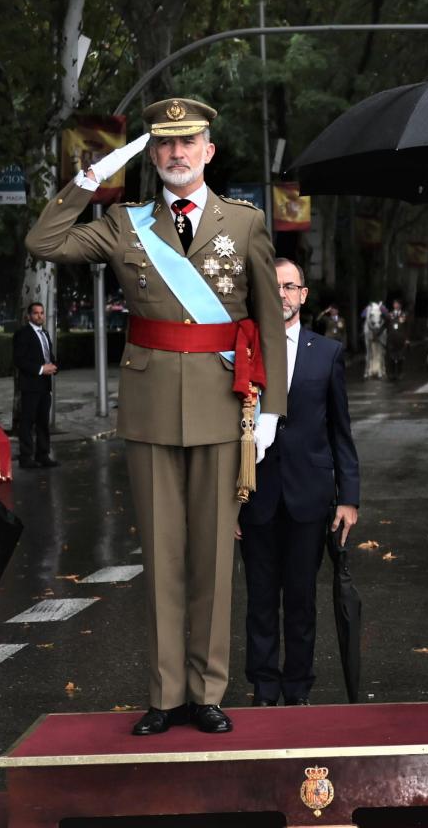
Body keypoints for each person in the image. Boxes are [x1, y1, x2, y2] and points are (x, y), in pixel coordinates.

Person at [26, 96, 287, 736]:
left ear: (208, 151)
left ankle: (208, 691)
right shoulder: (125, 222)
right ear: (153, 154)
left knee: (211, 561)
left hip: (224, 404)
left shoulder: (245, 222)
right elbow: (44, 240)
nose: (175, 153)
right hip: (147, 409)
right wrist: (88, 179)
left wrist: (273, 404)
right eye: (163, 144)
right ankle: (166, 694)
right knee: (163, 559)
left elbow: (269, 320)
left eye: (186, 142)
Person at [238, 258, 360, 707]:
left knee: (302, 601)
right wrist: (229, 501)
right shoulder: (244, 349)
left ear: (303, 295)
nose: (283, 295)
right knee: (261, 600)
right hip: (256, 496)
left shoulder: (325, 352)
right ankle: (264, 688)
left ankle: (297, 690)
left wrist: (348, 497)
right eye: (274, 288)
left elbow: (340, 430)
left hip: (310, 497)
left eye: (290, 287)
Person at [11, 301, 58, 468]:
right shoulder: (23, 334)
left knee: (43, 422)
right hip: (30, 386)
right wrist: (40, 369)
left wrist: (53, 365)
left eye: (42, 313)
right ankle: (26, 457)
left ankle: (43, 455)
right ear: (29, 316)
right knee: (27, 422)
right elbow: (19, 360)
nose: (40, 316)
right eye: (36, 313)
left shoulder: (44, 333)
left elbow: (48, 355)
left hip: (45, 385)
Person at [362, 301, 386, 380]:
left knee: (380, 352)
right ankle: (367, 370)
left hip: (380, 332)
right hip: (369, 332)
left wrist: (382, 309)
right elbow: (363, 315)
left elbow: (386, 315)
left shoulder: (381, 309)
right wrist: (367, 310)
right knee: (368, 353)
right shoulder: (369, 310)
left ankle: (381, 370)